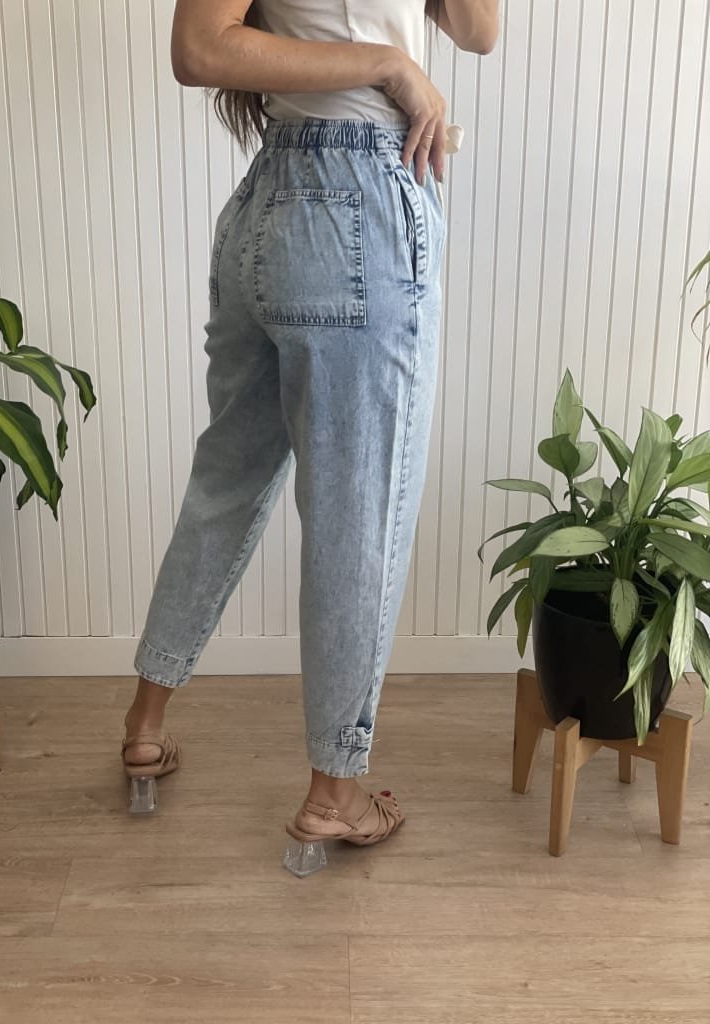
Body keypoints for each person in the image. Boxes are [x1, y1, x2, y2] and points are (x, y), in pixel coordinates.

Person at [121, 0, 499, 848]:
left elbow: (479, 31)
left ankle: (146, 725)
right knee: (357, 514)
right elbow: (199, 47)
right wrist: (387, 64)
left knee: (227, 481)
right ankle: (335, 791)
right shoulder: (376, 80)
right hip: (359, 205)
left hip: (273, 201)